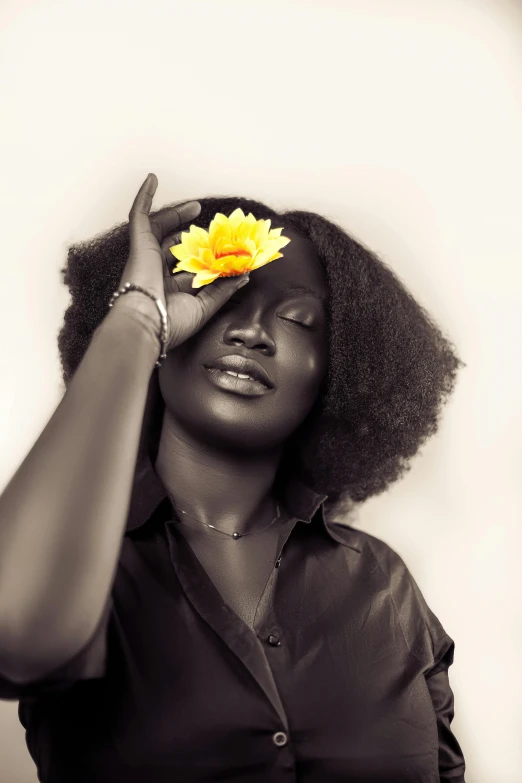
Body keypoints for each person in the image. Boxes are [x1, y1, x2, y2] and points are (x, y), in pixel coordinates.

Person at [0, 173, 467, 782]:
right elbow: (13, 635)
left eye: (300, 320)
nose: (252, 332)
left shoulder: (385, 585)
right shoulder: (79, 563)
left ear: (343, 369)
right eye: (214, 299)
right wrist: (138, 320)